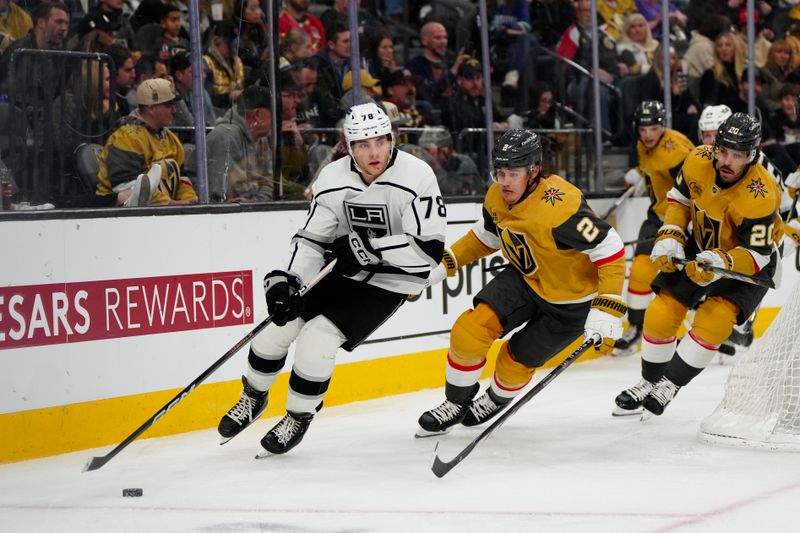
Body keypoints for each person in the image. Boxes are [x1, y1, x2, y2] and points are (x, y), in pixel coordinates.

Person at [217, 102, 446, 455]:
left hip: (393, 279)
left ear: (391, 139)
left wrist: (371, 249)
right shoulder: (333, 178)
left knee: (316, 341)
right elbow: (312, 240)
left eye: (381, 142)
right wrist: (289, 280)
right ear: (349, 147)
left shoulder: (417, 177)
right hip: (343, 267)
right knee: (276, 329)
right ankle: (252, 397)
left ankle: (298, 415)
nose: (375, 152)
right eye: (364, 145)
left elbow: (427, 250)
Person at [416, 129, 627, 435]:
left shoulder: (561, 206)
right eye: (499, 172)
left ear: (534, 170)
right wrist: (445, 264)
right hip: (525, 280)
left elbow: (609, 247)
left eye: (512, 173)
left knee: (513, 363)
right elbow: (485, 237)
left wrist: (607, 305)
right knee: (470, 330)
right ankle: (455, 403)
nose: (503, 181)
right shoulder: (496, 196)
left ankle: (495, 399)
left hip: (570, 305)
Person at [614, 113, 782, 417]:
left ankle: (670, 384)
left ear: (753, 155)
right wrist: (671, 234)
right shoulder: (697, 159)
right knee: (661, 310)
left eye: (738, 155)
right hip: (703, 244)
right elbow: (678, 200)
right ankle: (648, 381)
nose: (727, 161)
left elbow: (758, 254)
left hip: (748, 262)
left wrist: (722, 262)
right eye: (723, 151)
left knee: (714, 319)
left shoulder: (762, 193)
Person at [614, 102, 693, 356]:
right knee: (638, 271)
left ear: (664, 126)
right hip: (657, 214)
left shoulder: (676, 151)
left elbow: (696, 184)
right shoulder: (642, 145)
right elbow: (652, 165)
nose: (648, 134)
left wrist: (689, 225)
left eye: (654, 128)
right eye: (644, 128)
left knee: (684, 277)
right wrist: (641, 174)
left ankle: (708, 331)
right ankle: (636, 327)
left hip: (682, 219)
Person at [96, 78, 198, 206]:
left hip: (159, 213)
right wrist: (172, 204)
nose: (174, 111)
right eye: (168, 105)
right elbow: (127, 189)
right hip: (118, 214)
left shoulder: (171, 138)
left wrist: (190, 199)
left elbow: (182, 179)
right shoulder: (126, 138)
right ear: (151, 108)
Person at [205, 84, 272, 202]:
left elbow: (270, 182)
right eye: (274, 114)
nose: (277, 120)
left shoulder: (262, 139)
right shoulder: (226, 137)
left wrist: (256, 202)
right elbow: (226, 194)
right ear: (258, 115)